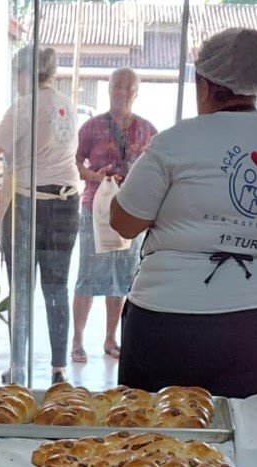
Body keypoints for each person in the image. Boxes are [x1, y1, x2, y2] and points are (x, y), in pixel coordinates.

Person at [110, 28, 257, 398]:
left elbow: (124, 222)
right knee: (235, 420)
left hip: (171, 313)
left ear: (204, 85)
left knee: (150, 420)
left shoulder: (176, 142)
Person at [0, 46, 80, 386]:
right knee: (57, 287)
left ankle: (18, 367)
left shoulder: (23, 107)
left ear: (24, 74)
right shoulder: (66, 105)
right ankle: (59, 369)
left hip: (28, 204)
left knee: (21, 288)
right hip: (67, 202)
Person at [71, 67, 157, 363]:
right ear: (108, 89)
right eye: (117, 86)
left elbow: (158, 170)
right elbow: (74, 162)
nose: (122, 92)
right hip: (94, 209)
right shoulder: (92, 126)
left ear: (137, 92)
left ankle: (111, 338)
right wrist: (93, 175)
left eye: (128, 87)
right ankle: (77, 339)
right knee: (87, 274)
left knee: (122, 276)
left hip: (131, 211)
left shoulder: (147, 130)